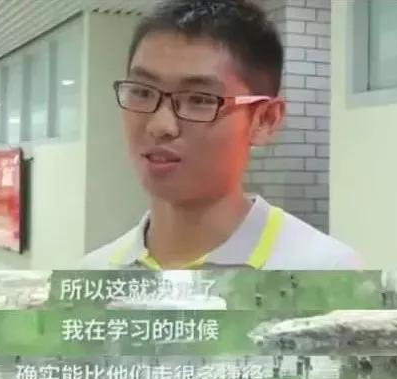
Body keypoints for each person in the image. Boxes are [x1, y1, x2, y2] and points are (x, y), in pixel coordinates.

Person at [82, 0, 361, 270]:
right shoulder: (93, 275)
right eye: (142, 92)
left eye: (199, 99)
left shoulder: (325, 272)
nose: (160, 126)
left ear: (265, 120)